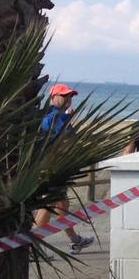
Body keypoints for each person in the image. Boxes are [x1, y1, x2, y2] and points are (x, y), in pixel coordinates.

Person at [34, 83, 94, 253]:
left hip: (49, 167)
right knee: (50, 204)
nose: (69, 99)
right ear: (53, 97)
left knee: (62, 205)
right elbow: (67, 140)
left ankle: (75, 240)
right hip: (54, 168)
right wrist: (71, 121)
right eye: (64, 95)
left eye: (70, 96)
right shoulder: (56, 117)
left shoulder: (50, 115)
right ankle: (33, 244)